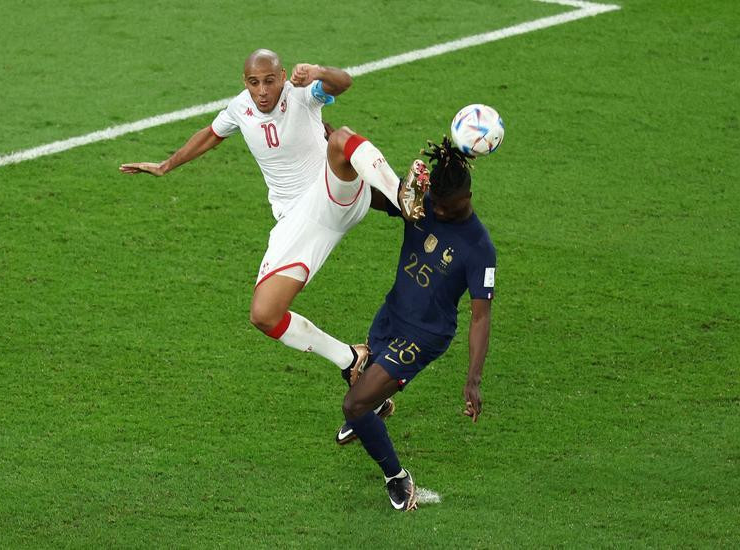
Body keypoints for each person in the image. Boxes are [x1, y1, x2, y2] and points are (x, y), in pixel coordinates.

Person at [120, 49, 428, 377]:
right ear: (245, 82)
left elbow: (344, 82)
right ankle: (351, 359)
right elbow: (211, 134)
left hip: (331, 193)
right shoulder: (240, 107)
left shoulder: (302, 94)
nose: (263, 91)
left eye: (269, 81)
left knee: (340, 138)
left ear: (281, 77)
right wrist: (167, 165)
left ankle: (401, 196)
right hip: (297, 220)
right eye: (254, 83)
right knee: (264, 314)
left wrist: (318, 71)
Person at [336, 137, 496, 511]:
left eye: (445, 207)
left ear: (467, 197)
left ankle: (397, 478)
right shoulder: (424, 205)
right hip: (391, 314)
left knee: (354, 405)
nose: (436, 212)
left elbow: (481, 316)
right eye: (434, 203)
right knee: (356, 375)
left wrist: (473, 380)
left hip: (423, 335)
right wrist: (356, 177)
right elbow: (377, 200)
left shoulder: (479, 248)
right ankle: (377, 410)